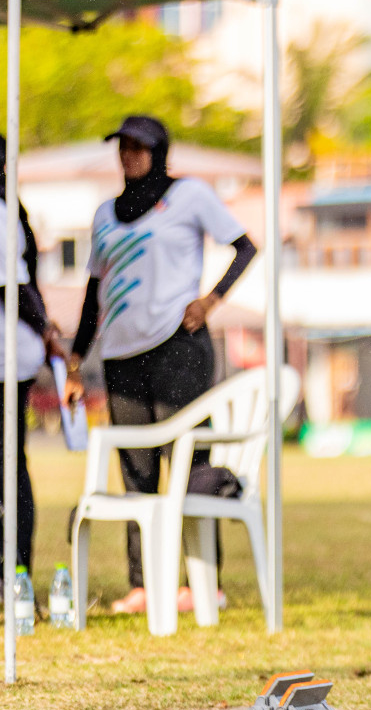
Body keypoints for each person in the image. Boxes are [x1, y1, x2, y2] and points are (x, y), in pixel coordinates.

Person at [67, 116, 257, 615]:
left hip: (179, 346)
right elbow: (94, 290)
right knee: (136, 469)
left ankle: (205, 582)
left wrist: (210, 301)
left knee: (191, 463)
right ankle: (145, 584)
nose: (129, 154)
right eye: (123, 146)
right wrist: (75, 354)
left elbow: (245, 247)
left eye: (138, 146)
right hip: (120, 355)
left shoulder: (189, 195)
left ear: (159, 151)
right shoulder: (105, 214)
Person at [0, 137, 65, 576]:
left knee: (9, 466)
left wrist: (46, 330)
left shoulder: (5, 211)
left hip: (8, 359)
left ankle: (15, 574)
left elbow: (16, 288)